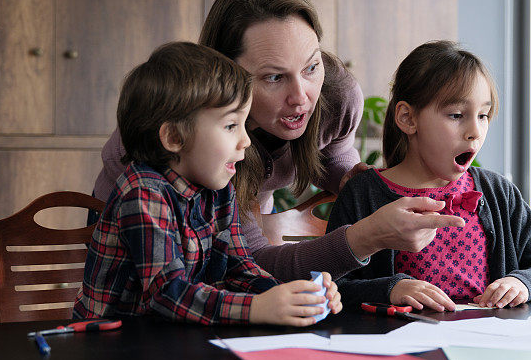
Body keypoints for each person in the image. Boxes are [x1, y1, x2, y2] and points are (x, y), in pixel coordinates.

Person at [91, 0, 463, 281]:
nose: (301, 97)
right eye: (273, 77)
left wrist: (352, 180)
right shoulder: (196, 140)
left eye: (311, 67)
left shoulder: (337, 94)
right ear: (227, 74)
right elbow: (253, 265)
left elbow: (332, 151)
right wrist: (365, 237)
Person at [74, 42, 341, 326]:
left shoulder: (219, 189)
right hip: (113, 345)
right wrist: (256, 308)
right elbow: (167, 293)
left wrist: (291, 296)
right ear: (175, 138)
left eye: (243, 125)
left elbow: (241, 268)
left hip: (174, 341)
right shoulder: (143, 193)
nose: (246, 141)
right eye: (230, 126)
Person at [327, 41, 531, 311]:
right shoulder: (363, 193)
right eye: (456, 115)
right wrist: (390, 289)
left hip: (486, 342)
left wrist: (521, 283)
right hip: (404, 345)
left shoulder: (498, 192)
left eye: (483, 115)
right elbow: (332, 286)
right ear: (408, 118)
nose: (475, 131)